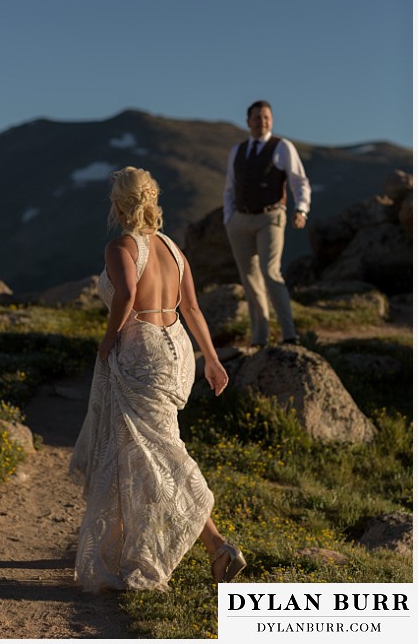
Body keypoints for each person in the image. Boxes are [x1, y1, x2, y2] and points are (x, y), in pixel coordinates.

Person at [70, 166, 245, 591]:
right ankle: (145, 545)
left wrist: (108, 340)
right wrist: (212, 360)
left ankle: (218, 545)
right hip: (178, 349)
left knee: (159, 454)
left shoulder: (120, 247)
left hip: (142, 350)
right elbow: (194, 309)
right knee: (150, 451)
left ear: (119, 205)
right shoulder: (172, 249)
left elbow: (127, 296)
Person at [223, 100, 311, 347]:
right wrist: (229, 219)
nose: (262, 121)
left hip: (271, 217)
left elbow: (299, 182)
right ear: (248, 121)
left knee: (270, 272)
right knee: (250, 279)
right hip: (240, 220)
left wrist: (301, 209)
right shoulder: (237, 151)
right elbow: (229, 188)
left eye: (266, 117)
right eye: (257, 117)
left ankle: (289, 335)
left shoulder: (282, 147)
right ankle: (260, 339)